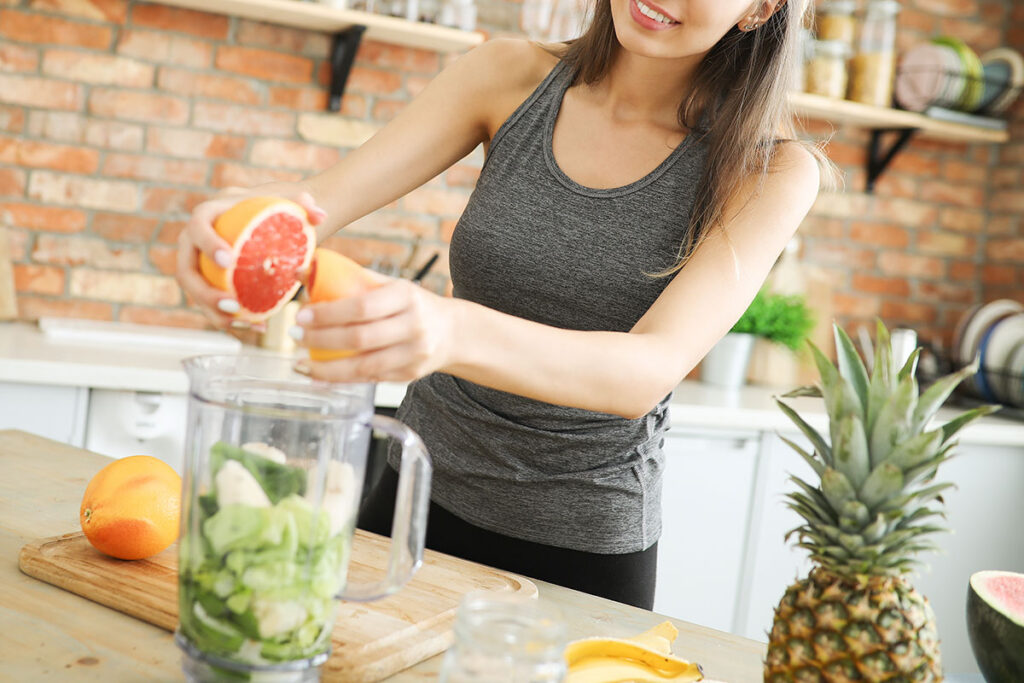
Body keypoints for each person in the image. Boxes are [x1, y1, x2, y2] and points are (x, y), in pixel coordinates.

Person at [176, 0, 824, 609]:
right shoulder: (509, 74)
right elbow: (319, 202)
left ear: (762, 7)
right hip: (412, 498)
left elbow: (647, 368)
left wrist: (448, 329)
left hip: (583, 549)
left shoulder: (768, 170)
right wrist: (229, 225)